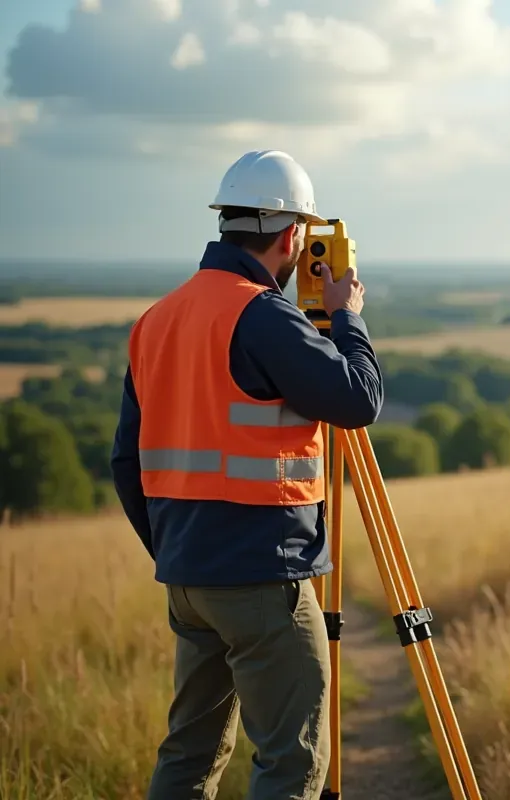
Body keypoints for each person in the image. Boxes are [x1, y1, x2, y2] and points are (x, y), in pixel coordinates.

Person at [110, 149, 384, 800]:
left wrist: (177, 549)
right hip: (262, 574)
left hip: (189, 576)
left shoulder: (157, 320)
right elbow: (358, 400)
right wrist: (347, 317)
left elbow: (126, 461)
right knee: (292, 762)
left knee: (190, 755)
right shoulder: (261, 314)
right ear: (291, 236)